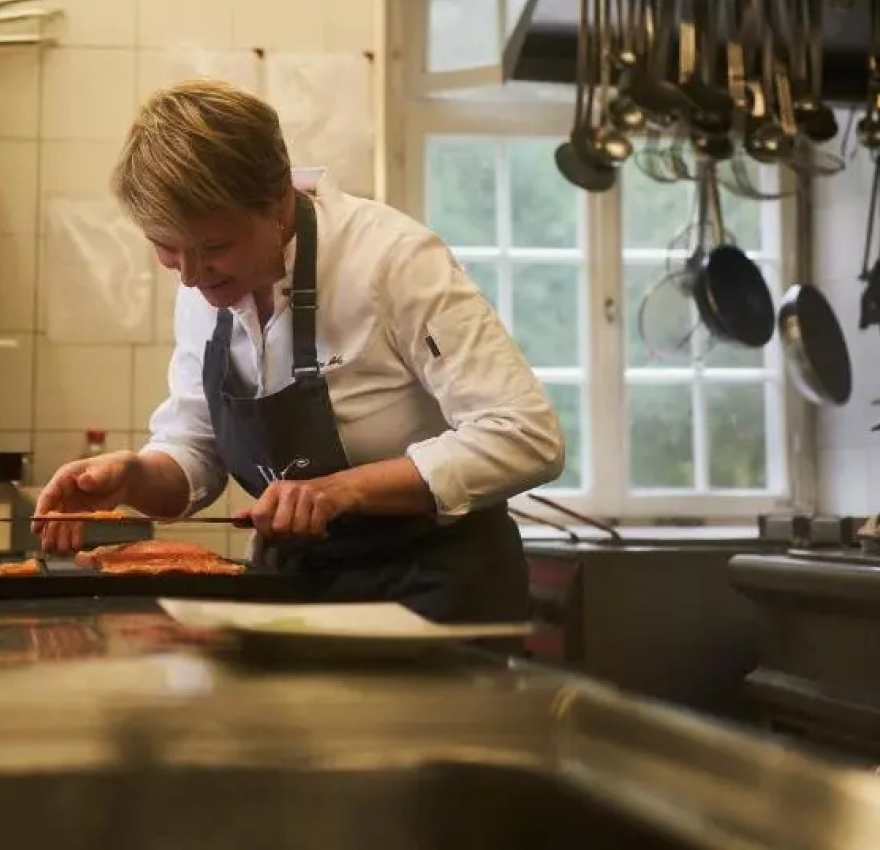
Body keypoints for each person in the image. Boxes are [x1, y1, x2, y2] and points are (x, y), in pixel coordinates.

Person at [32, 80, 565, 624]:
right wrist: (131, 476)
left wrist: (344, 491)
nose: (191, 276)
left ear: (277, 200)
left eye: (214, 248)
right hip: (293, 589)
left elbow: (527, 436)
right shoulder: (203, 289)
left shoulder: (394, 261)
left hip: (431, 590)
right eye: (167, 248)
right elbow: (196, 452)